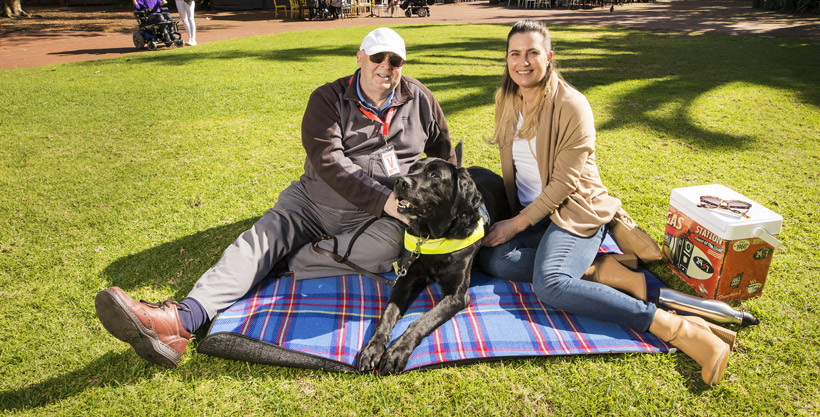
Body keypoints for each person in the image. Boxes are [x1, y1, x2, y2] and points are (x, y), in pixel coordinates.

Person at [95, 27, 456, 369]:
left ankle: (292, 259)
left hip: (376, 219)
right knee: (262, 239)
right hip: (315, 202)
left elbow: (444, 156)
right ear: (360, 57)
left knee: (388, 249)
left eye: (395, 61)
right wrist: (385, 200)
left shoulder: (420, 98)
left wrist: (444, 206)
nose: (386, 67)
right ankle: (180, 320)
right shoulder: (327, 99)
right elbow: (331, 162)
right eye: (378, 57)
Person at [478, 20, 733, 386]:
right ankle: (603, 270)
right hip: (534, 215)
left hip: (575, 209)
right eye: (515, 54)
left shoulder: (572, 105)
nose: (523, 62)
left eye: (533, 52)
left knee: (550, 284)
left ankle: (678, 328)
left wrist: (516, 225)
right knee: (494, 258)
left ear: (549, 57)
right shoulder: (506, 98)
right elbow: (513, 170)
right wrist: (510, 217)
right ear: (506, 59)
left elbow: (565, 183)